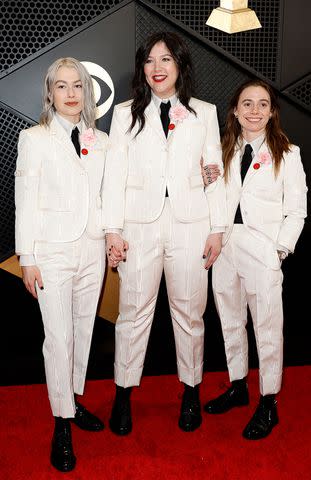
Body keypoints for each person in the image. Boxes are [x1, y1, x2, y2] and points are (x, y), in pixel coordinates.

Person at [102, 31, 227, 435]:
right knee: (133, 313)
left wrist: (218, 227)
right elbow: (114, 176)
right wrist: (113, 230)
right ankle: (124, 393)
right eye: (150, 61)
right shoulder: (124, 114)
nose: (158, 68)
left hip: (192, 225)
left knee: (190, 313)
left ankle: (190, 391)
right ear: (142, 68)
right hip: (139, 225)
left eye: (166, 60)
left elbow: (213, 173)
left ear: (180, 66)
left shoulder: (204, 113)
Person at [15, 57, 108, 471]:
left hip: (92, 250)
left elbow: (106, 196)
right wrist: (28, 257)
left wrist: (111, 237)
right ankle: (62, 425)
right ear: (50, 93)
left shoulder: (99, 140)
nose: (71, 94)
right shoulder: (33, 138)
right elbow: (26, 201)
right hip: (51, 252)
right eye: (62, 86)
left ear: (86, 92)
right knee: (58, 337)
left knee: (83, 331)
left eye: (77, 86)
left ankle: (71, 401)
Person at [202, 79, 307, 439]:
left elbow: (297, 212)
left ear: (273, 111)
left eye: (263, 104)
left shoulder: (287, 154)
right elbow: (212, 196)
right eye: (247, 103)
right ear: (235, 109)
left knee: (267, 328)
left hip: (262, 249)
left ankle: (268, 401)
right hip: (225, 247)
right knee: (230, 322)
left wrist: (277, 251)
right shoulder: (222, 151)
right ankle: (237, 385)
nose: (255, 111)